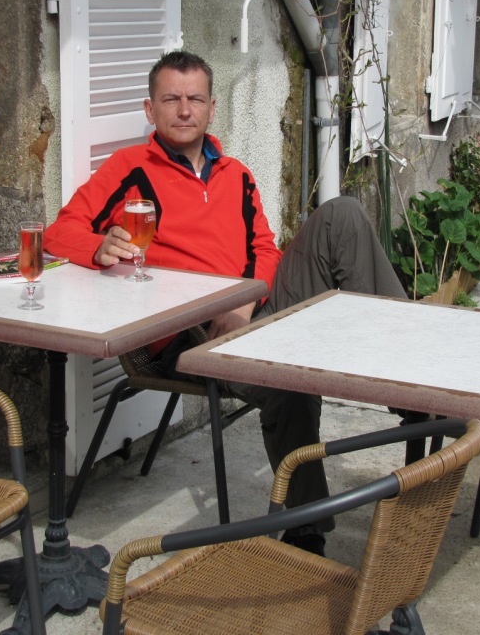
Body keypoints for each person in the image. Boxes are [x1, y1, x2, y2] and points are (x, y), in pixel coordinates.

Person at [45, 51, 406, 555]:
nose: (184, 110)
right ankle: (305, 528)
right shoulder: (129, 169)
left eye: (195, 99)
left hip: (251, 310)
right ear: (150, 109)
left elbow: (265, 249)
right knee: (289, 375)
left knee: (341, 214)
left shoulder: (237, 174)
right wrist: (97, 247)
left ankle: (414, 388)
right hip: (190, 334)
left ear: (212, 108)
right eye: (171, 99)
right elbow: (58, 232)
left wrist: (245, 302)